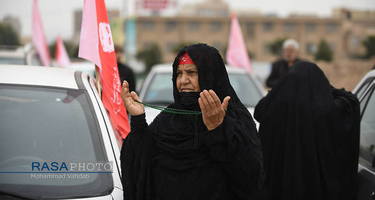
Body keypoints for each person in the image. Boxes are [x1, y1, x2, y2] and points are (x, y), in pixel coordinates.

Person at [120, 43, 264, 200]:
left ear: (210, 75)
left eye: (191, 72)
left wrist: (218, 131)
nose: (183, 80)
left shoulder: (235, 119)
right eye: (179, 74)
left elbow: (250, 176)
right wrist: (138, 121)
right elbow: (141, 164)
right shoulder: (167, 120)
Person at [254, 62, 360, 200]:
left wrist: (279, 90)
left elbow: (260, 109)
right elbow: (351, 101)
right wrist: (328, 89)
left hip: (278, 191)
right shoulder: (327, 111)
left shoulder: (272, 108)